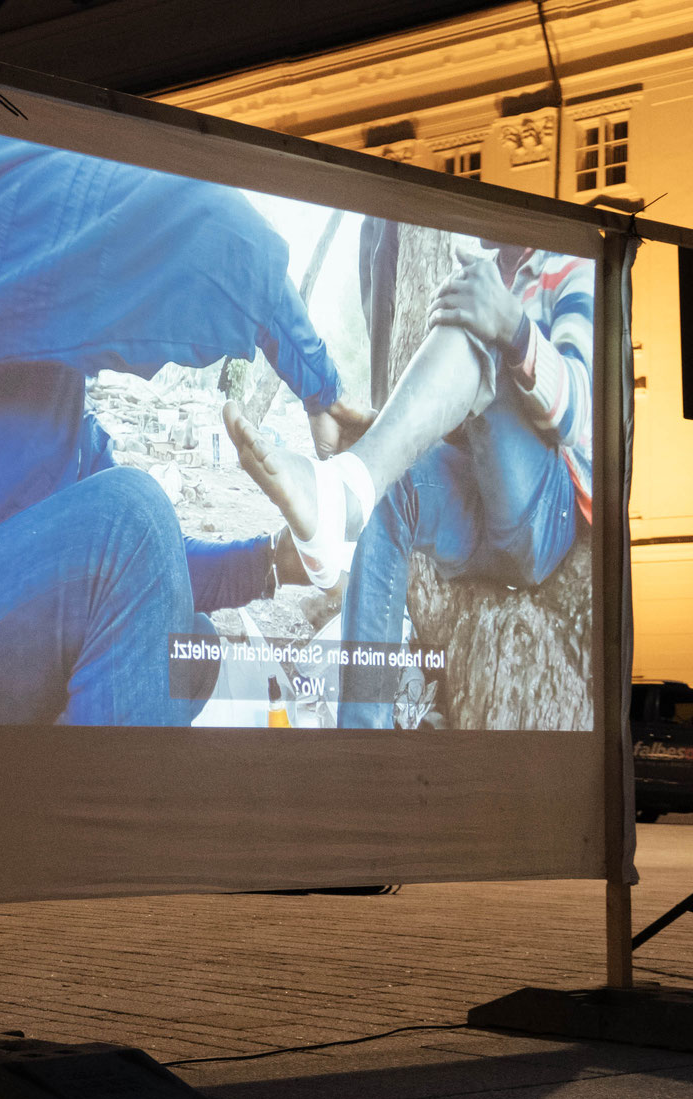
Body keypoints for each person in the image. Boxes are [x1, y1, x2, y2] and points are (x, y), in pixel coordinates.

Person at [0, 135, 373, 726]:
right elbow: (212, 230)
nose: (167, 363)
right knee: (130, 519)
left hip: (2, 617)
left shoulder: (56, 404)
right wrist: (321, 389)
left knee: (192, 644)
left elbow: (150, 571)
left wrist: (271, 561)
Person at [223, 232, 593, 728]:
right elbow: (471, 428)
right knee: (385, 489)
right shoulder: (483, 266)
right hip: (481, 524)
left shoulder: (570, 264)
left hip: (547, 517)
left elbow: (581, 418)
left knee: (474, 332)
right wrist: (382, 433)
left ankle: (345, 488)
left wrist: (513, 327)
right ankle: (362, 741)